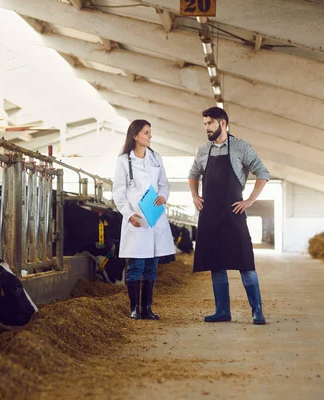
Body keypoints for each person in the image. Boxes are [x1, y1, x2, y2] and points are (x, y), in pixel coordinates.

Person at [188, 107, 269, 325]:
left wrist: (250, 200)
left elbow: (263, 173)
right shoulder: (203, 151)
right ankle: (222, 310)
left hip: (234, 213)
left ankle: (257, 311)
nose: (206, 128)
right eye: (205, 124)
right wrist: (195, 196)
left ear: (223, 123)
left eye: (210, 123)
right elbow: (193, 174)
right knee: (216, 263)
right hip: (210, 214)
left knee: (245, 263)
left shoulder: (241, 147)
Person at [113, 119, 176, 320]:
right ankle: (134, 309)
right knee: (136, 266)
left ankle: (147, 308)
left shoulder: (156, 158)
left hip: (155, 216)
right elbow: (118, 192)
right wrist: (129, 214)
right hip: (136, 218)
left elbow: (164, 184)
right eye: (146, 132)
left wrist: (163, 196)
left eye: (150, 132)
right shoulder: (123, 160)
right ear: (135, 135)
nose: (150, 136)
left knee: (151, 265)